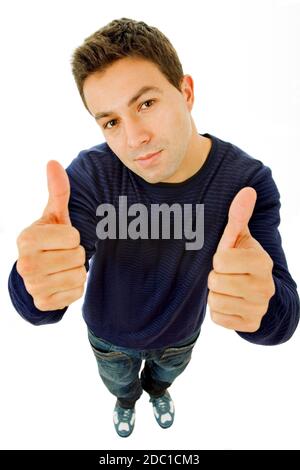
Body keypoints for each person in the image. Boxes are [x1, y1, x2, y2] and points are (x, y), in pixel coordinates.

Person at [8, 18, 299, 438]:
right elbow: (36, 302)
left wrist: (264, 306)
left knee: (164, 378)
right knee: (120, 387)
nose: (134, 138)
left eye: (146, 104)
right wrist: (31, 282)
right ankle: (126, 403)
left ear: (186, 92)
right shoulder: (92, 177)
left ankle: (159, 392)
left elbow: (284, 315)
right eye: (110, 122)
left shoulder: (245, 184)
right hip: (109, 340)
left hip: (181, 337)